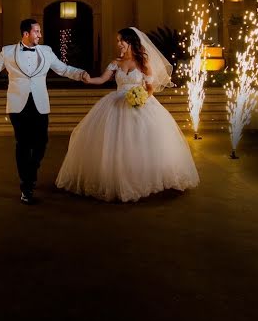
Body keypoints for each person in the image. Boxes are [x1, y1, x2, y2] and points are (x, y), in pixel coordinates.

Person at [56, 27, 199, 202]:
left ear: (130, 42)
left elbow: (150, 89)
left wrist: (141, 98)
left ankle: (141, 178)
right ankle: (116, 180)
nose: (118, 44)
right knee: (114, 143)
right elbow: (101, 79)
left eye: (120, 40)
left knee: (140, 142)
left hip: (139, 103)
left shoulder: (142, 62)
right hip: (115, 103)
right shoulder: (115, 62)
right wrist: (88, 79)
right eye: (118, 41)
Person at [0, 19, 87, 204]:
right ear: (26, 33)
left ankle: (30, 172)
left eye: (39, 32)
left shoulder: (46, 51)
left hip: (40, 104)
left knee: (41, 143)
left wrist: (81, 74)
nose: (40, 35)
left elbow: (63, 69)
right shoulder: (8, 52)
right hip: (18, 105)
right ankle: (26, 186)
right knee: (23, 144)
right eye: (37, 32)